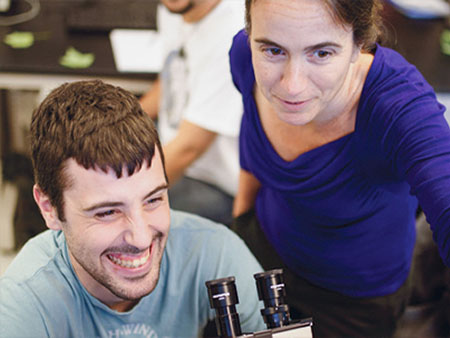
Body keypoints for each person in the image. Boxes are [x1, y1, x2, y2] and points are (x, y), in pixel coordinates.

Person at [229, 0, 450, 336]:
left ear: (357, 45)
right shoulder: (244, 55)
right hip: (264, 255)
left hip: (353, 301)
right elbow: (252, 149)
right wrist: (240, 227)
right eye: (273, 50)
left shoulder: (398, 105)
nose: (292, 86)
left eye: (321, 53)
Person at [0, 80, 266, 337]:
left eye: (153, 200)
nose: (140, 238)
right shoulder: (23, 304)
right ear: (49, 208)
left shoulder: (214, 253)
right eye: (107, 212)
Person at [138, 0, 245, 226]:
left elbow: (190, 148)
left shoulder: (234, 38)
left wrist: (118, 195)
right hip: (171, 146)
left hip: (211, 182)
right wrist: (115, 123)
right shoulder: (175, 7)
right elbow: (169, 81)